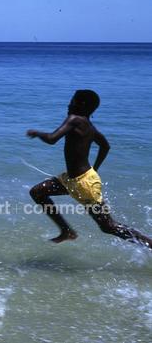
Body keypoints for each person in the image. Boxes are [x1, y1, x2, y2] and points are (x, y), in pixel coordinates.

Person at [27, 89, 152, 248]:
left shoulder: (74, 120)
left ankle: (150, 244)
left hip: (83, 184)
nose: (68, 105)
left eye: (72, 101)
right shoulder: (90, 127)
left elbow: (52, 139)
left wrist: (37, 133)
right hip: (73, 180)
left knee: (109, 226)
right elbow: (105, 146)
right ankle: (66, 231)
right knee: (37, 192)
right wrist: (94, 170)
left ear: (81, 104)